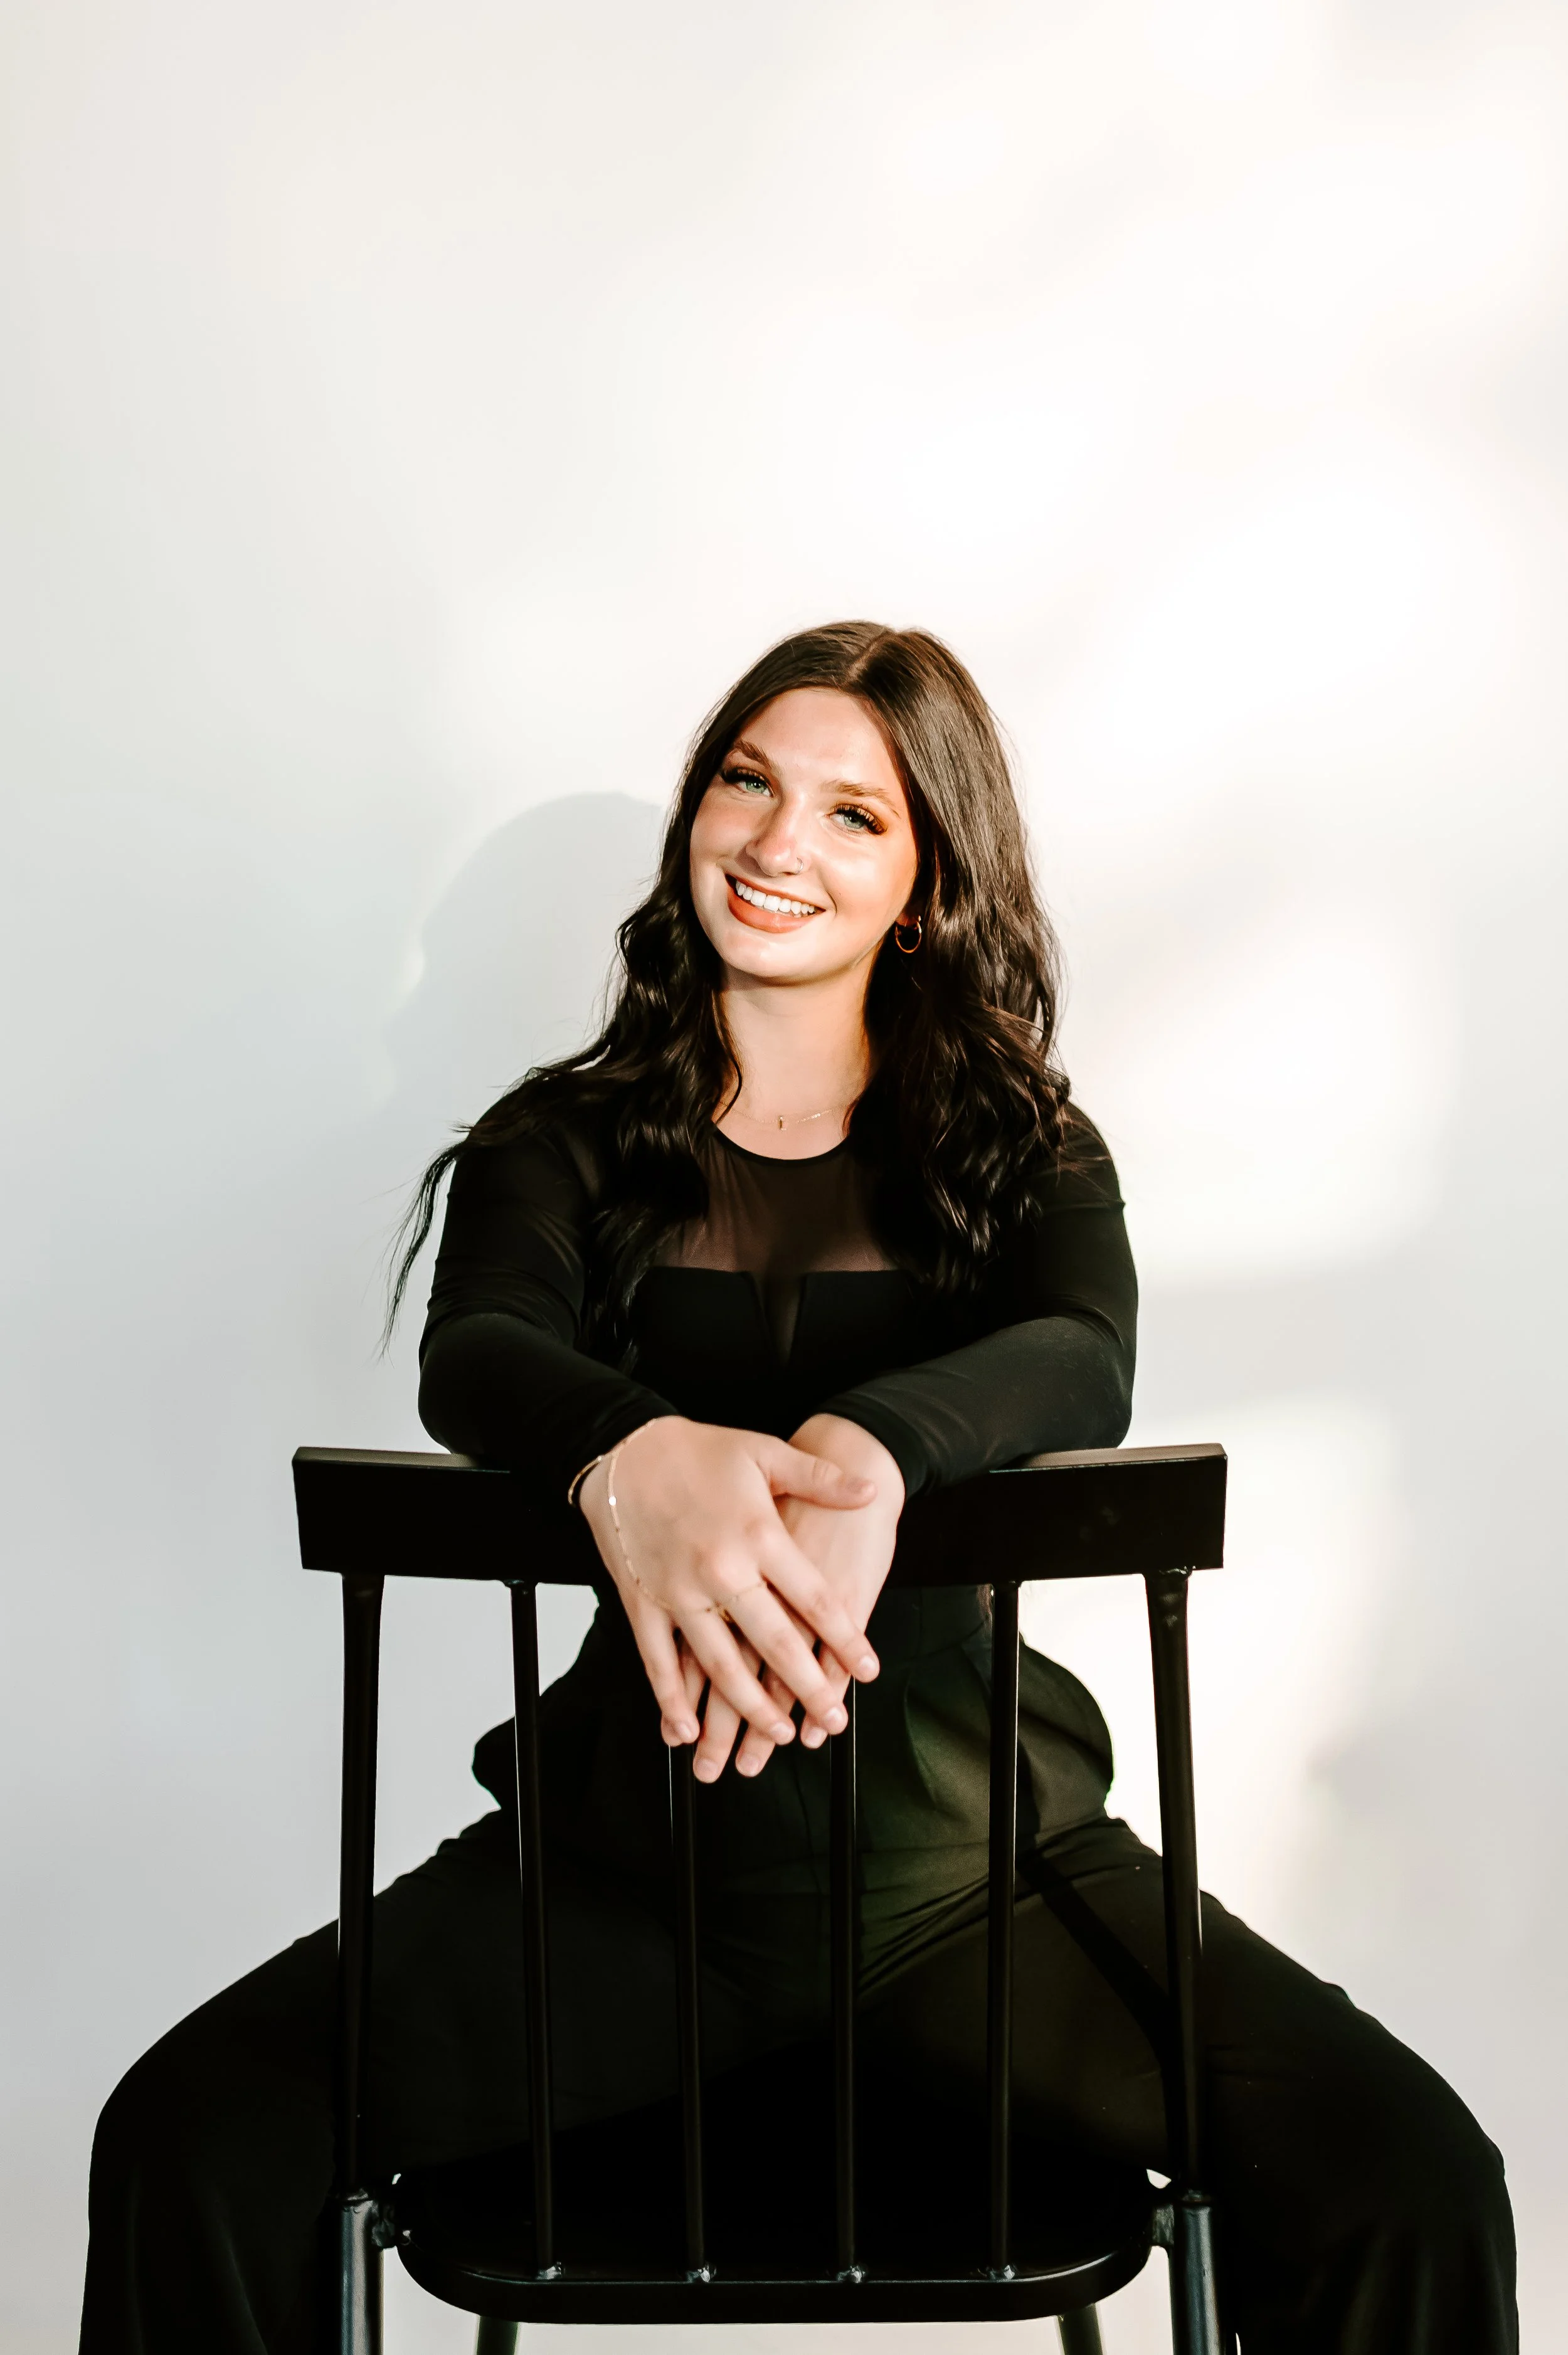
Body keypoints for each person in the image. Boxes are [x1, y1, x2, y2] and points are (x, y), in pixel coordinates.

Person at [80, 623, 1515, 2353]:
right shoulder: (558, 1145)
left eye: (855, 813)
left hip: (972, 1882)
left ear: (922, 881)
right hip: (615, 1892)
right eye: (748, 782)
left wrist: (868, 1448)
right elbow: (476, 1353)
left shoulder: (1023, 1150)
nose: (776, 843)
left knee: (1407, 2171)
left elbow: (1082, 1350)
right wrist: (635, 1453)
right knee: (185, 2135)